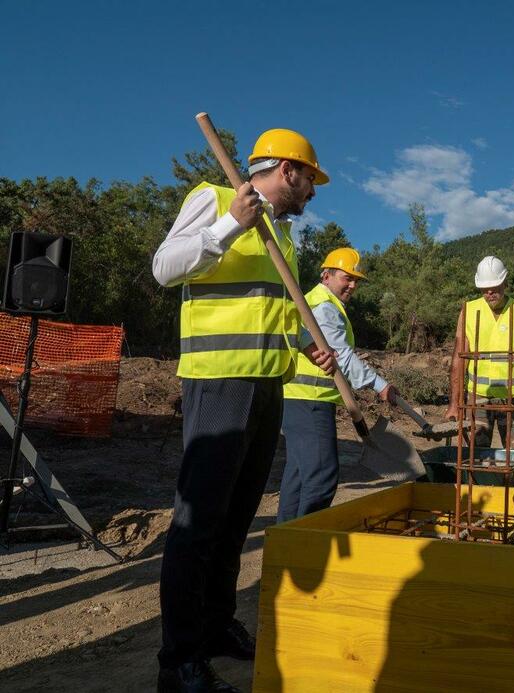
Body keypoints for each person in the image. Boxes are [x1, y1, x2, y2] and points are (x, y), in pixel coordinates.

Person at [152, 128, 335, 693]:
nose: (312, 193)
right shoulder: (212, 197)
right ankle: (179, 662)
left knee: (235, 518)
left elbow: (268, 306)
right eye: (309, 180)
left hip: (265, 385)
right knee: (198, 520)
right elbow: (166, 267)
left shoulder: (282, 231)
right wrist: (231, 222)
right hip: (218, 383)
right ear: (286, 171)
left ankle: (214, 627)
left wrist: (303, 343)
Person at [279, 247, 397, 521]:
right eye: (347, 278)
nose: (353, 285)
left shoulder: (320, 302)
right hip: (310, 400)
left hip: (300, 400)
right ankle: (307, 542)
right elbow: (340, 355)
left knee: (298, 476)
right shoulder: (324, 307)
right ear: (327, 275)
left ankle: (284, 545)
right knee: (321, 474)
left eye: (356, 280)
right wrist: (379, 385)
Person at [445, 256, 514, 467]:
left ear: (505, 282)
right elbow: (458, 362)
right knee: (477, 458)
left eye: (494, 287)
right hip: (478, 399)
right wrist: (454, 405)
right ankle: (480, 495)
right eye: (485, 289)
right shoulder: (469, 311)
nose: (490, 293)